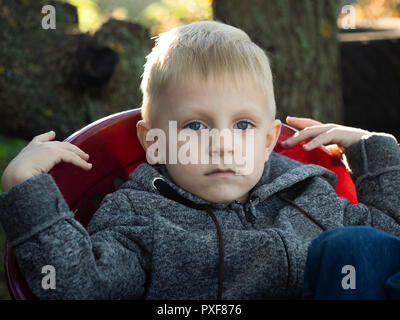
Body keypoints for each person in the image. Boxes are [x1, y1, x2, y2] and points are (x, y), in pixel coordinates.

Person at [1, 20, 400, 300]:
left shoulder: (308, 193)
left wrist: (372, 148)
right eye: (195, 127)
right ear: (153, 141)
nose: (222, 145)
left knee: (359, 248)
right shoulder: (141, 217)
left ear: (269, 141)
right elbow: (79, 287)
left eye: (243, 125)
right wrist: (26, 188)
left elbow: (390, 240)